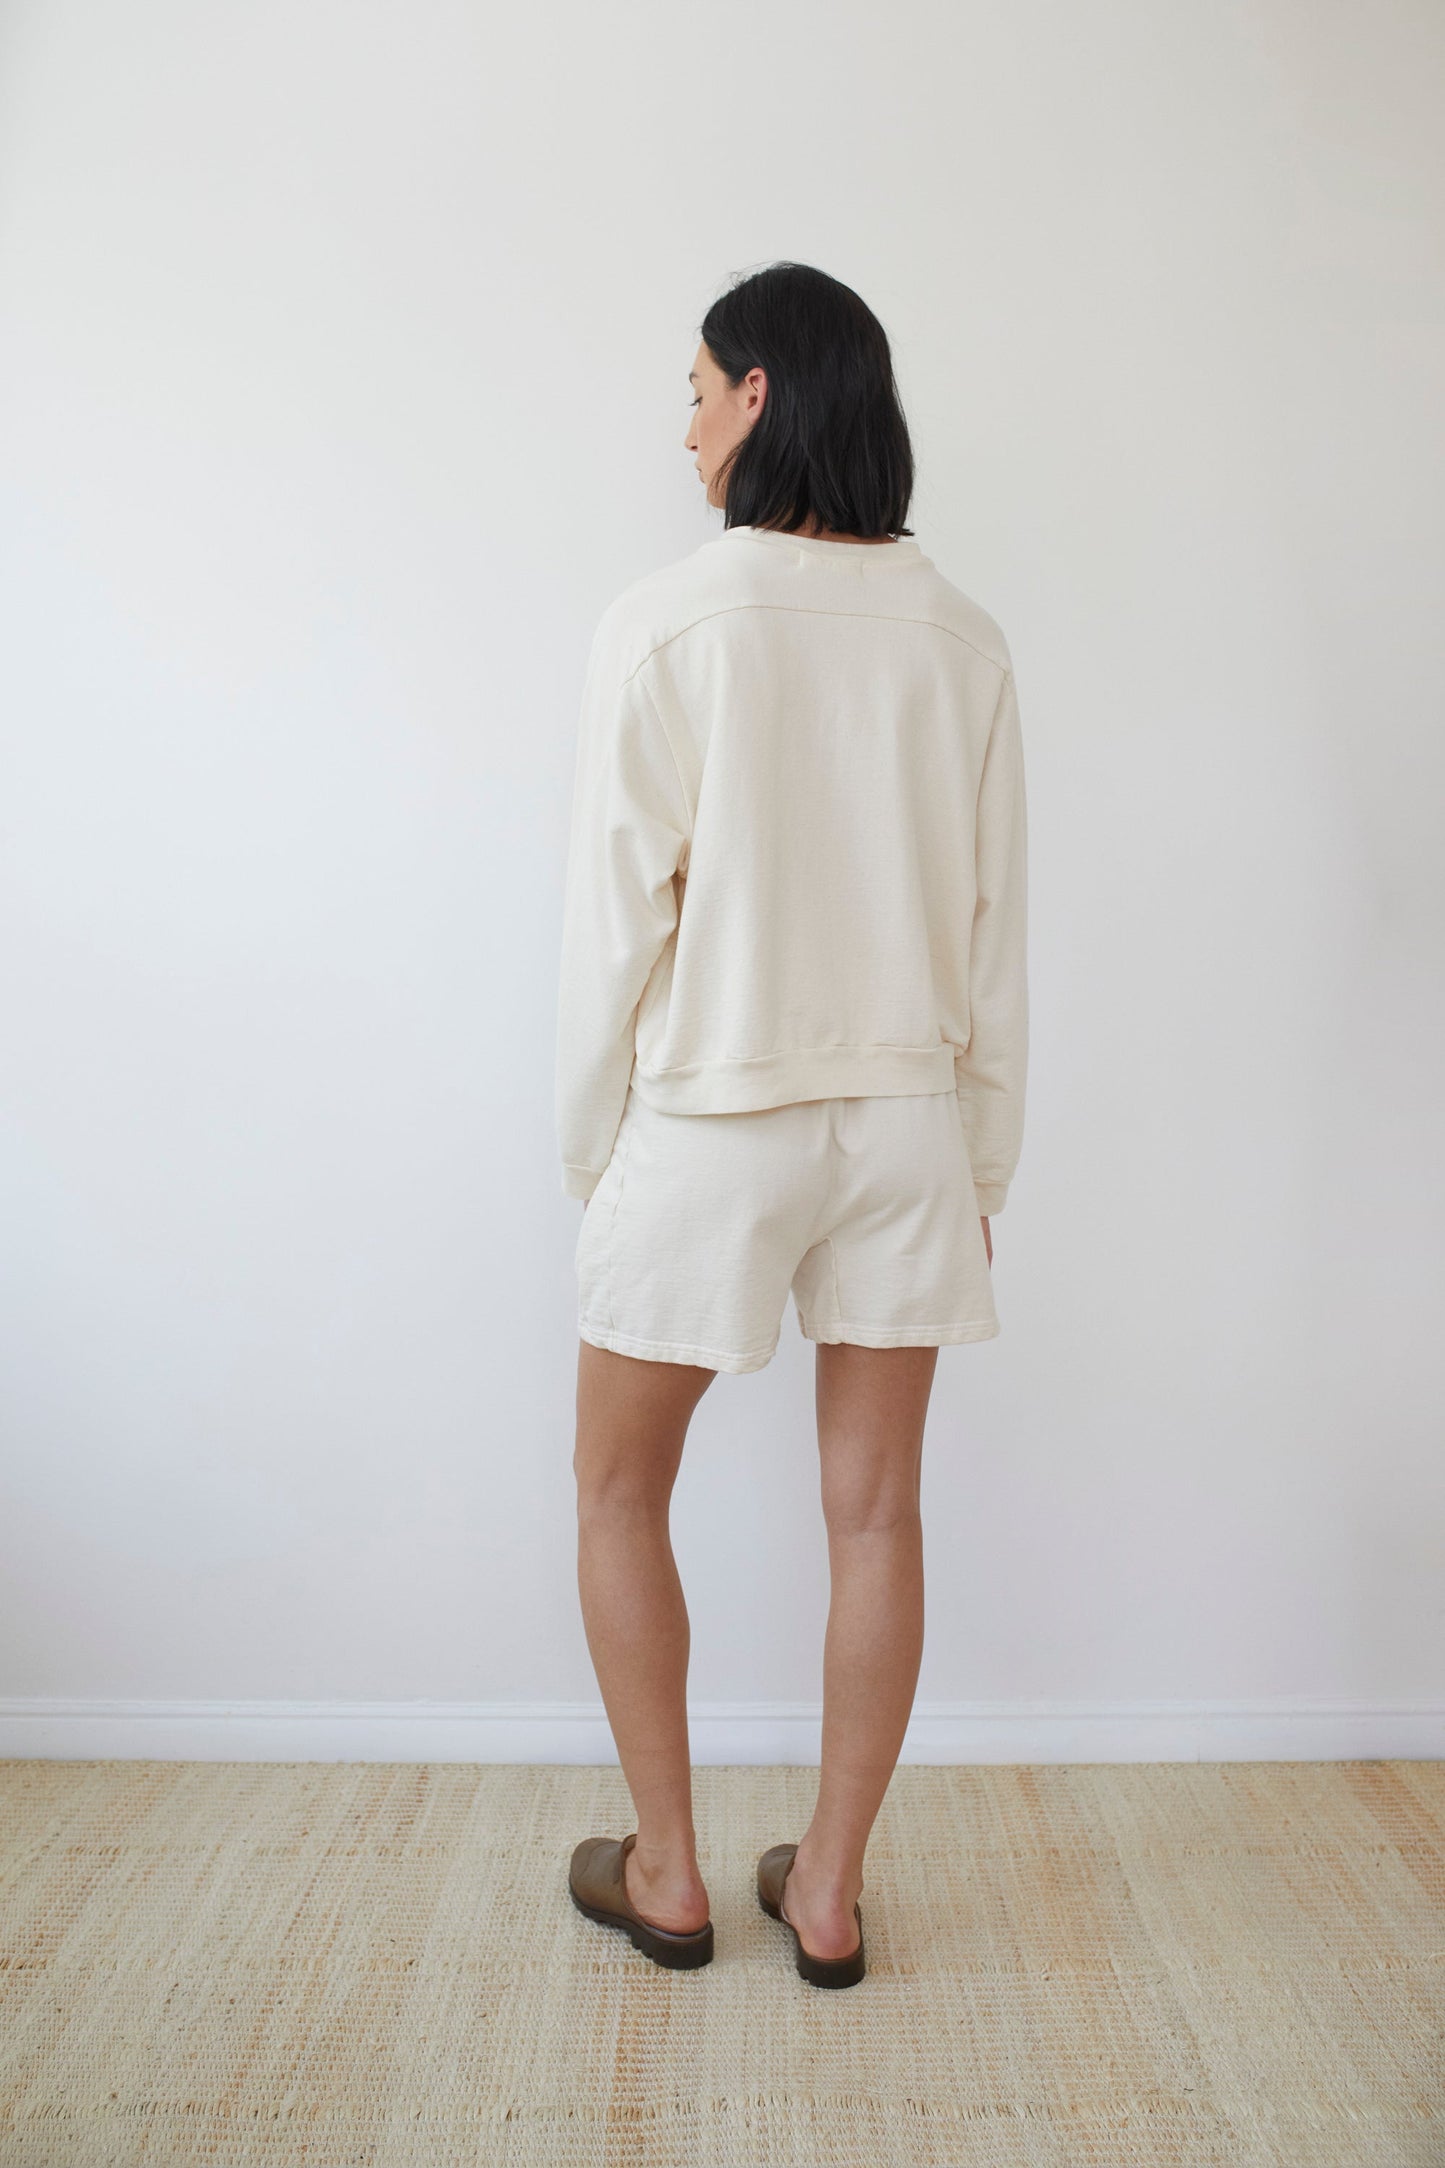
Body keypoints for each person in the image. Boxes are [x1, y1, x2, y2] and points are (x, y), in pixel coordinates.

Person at [555, 262, 1029, 1988]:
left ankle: (669, 1872)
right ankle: (823, 1892)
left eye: (693, 388)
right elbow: (994, 934)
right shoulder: (962, 636)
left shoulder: (672, 617)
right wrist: (978, 1161)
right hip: (901, 1118)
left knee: (616, 1487)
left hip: (711, 1115)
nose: (682, 425)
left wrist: (591, 1151)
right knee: (878, 1516)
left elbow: (613, 921)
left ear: (759, 395)